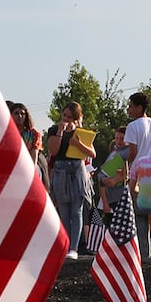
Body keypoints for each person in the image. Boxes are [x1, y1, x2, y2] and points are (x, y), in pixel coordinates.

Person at [46, 103, 95, 259]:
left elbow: (92, 153)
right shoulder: (54, 130)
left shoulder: (80, 132)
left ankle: (74, 247)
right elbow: (53, 151)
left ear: (75, 118)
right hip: (60, 170)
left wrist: (78, 144)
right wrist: (60, 131)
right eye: (64, 115)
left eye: (69, 116)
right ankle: (65, 246)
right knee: (64, 212)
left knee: (77, 211)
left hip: (77, 169)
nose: (66, 119)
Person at [8, 103, 48, 190]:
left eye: (22, 113)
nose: (19, 116)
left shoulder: (34, 134)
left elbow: (35, 153)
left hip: (29, 167)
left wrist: (31, 170)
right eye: (16, 113)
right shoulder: (7, 134)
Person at [122, 92, 151, 171]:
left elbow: (133, 152)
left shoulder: (132, 126)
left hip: (138, 169)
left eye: (131, 106)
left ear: (139, 108)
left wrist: (125, 166)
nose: (128, 109)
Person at [97, 126, 129, 213]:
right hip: (110, 197)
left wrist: (116, 179)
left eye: (122, 138)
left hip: (122, 196)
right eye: (117, 138)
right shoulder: (114, 153)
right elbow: (101, 176)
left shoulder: (128, 152)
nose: (118, 141)